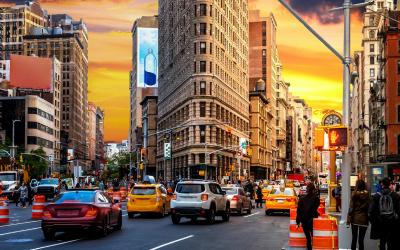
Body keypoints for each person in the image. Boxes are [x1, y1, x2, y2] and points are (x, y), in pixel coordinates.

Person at [369, 177, 400, 250]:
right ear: (390, 184)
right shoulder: (395, 195)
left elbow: (371, 212)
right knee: (391, 243)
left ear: (381, 184)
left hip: (381, 223)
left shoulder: (376, 196)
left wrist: (375, 223)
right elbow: (398, 210)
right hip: (392, 223)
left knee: (382, 242)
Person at [347, 179, 370, 250]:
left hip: (355, 219)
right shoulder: (367, 195)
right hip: (364, 219)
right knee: (361, 240)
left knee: (354, 239)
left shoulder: (354, 194)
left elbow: (351, 209)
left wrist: (348, 221)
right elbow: (369, 207)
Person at [296, 183, 320, 250]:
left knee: (308, 238)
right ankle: (313, 247)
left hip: (304, 220)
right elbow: (316, 207)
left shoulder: (302, 199)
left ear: (307, 189)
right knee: (313, 236)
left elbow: (298, 211)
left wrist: (298, 221)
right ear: (313, 189)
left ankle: (309, 248)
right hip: (312, 220)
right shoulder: (316, 199)